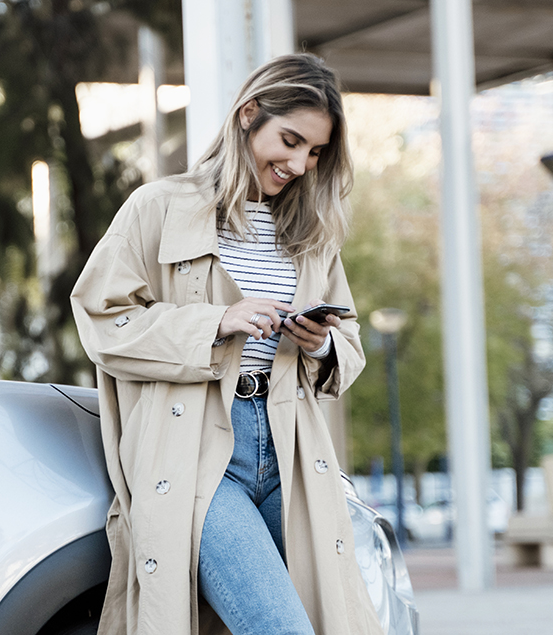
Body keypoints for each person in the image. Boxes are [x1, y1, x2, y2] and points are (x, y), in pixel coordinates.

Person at [71, 53, 381, 635]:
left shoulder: (312, 236)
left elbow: (351, 342)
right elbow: (100, 317)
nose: (298, 164)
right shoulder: (159, 207)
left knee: (333, 619)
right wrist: (216, 322)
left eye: (314, 152)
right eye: (289, 141)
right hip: (197, 451)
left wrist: (318, 343)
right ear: (248, 115)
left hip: (290, 447)